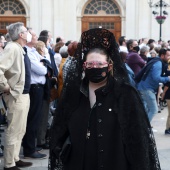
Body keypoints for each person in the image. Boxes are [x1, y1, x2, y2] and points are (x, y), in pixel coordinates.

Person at [48, 28, 161, 170]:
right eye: (90, 64)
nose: (95, 68)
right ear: (84, 66)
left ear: (109, 66)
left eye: (100, 64)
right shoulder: (74, 94)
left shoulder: (125, 94)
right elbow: (59, 129)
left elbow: (137, 138)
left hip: (115, 162)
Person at [0, 22, 32, 170]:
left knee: (20, 129)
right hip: (15, 96)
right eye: (26, 31)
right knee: (13, 130)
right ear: (21, 34)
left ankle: (15, 158)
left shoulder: (20, 48)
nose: (28, 33)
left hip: (23, 94)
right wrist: (5, 86)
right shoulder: (12, 47)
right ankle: (8, 164)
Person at [137, 48, 170, 122]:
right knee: (154, 109)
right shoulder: (158, 64)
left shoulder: (156, 61)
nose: (169, 57)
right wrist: (168, 78)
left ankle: (142, 127)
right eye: (168, 55)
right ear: (162, 55)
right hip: (147, 89)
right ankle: (145, 128)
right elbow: (156, 78)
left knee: (146, 109)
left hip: (145, 88)